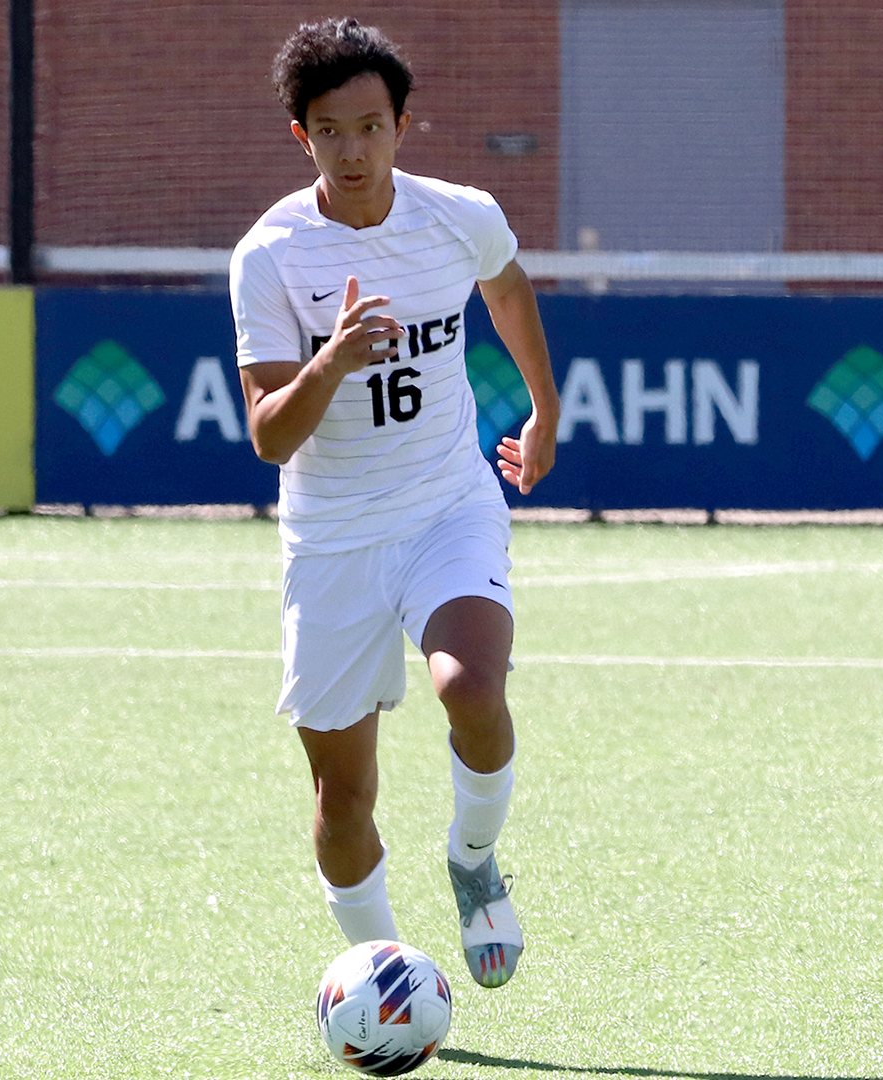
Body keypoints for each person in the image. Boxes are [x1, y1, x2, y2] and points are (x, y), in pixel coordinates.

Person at [229, 17, 560, 989]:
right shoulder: (270, 255)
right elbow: (270, 438)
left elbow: (506, 289)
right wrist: (332, 360)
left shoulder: (459, 214)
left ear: (404, 125)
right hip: (331, 540)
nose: (354, 149)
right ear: (302, 138)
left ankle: (471, 862)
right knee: (341, 802)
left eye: (371, 126)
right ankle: (381, 975)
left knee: (474, 689)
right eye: (331, 131)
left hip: (445, 506)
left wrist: (543, 412)